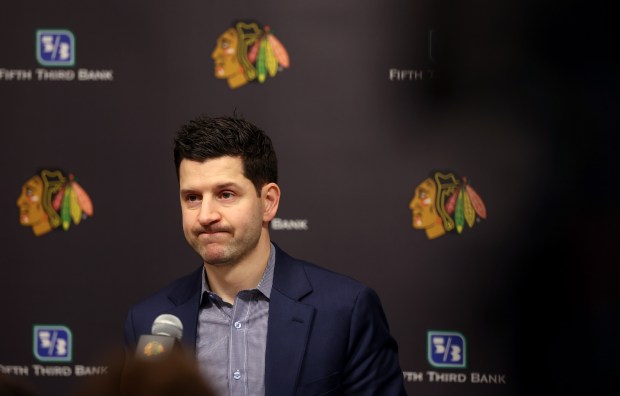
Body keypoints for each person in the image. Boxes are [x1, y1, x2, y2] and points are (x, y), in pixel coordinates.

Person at [124, 115, 407, 395]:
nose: (206, 215)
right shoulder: (148, 320)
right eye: (192, 198)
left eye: (225, 194)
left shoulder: (345, 311)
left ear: (268, 202)